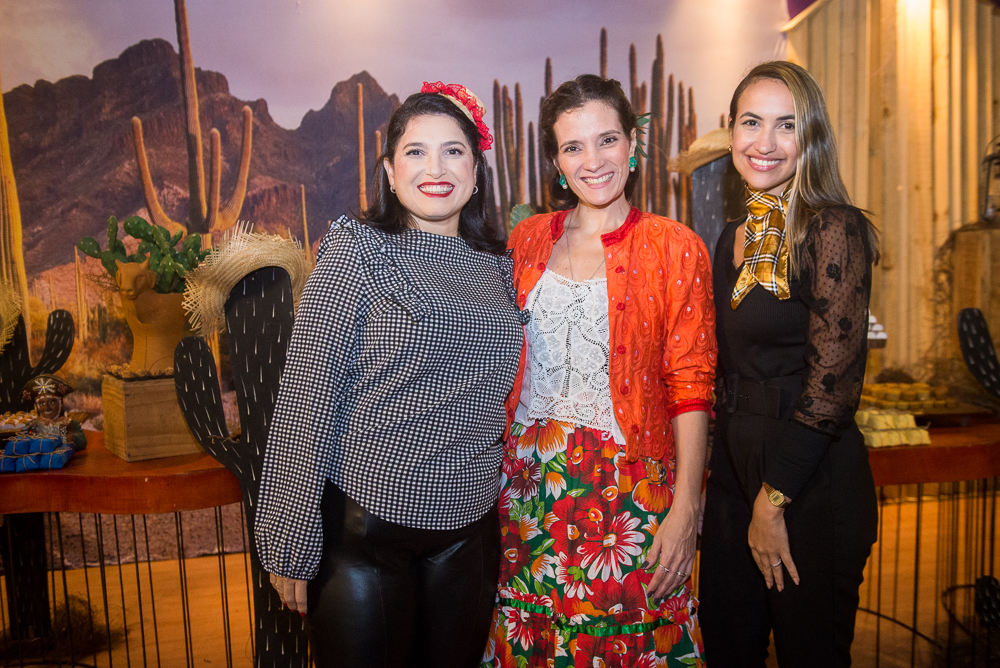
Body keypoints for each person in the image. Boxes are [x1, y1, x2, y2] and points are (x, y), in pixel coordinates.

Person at [254, 82, 524, 668]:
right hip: (365, 537)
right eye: (416, 151)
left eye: (453, 151)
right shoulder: (357, 250)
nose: (435, 167)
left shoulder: (500, 269)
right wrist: (288, 543)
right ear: (390, 170)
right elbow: (306, 395)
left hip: (467, 538)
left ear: (476, 172)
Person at [483, 74, 716, 667]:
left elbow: (691, 386)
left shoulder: (675, 246)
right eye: (573, 147)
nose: (593, 161)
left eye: (607, 140)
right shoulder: (526, 240)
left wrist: (686, 507)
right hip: (526, 489)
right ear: (556, 163)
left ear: (633, 146)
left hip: (629, 492)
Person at [698, 61, 880, 667]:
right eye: (751, 123)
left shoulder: (835, 229)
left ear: (813, 140)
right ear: (731, 132)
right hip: (733, 477)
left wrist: (772, 501)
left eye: (787, 126)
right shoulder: (732, 239)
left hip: (809, 482)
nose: (765, 143)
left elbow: (833, 388)